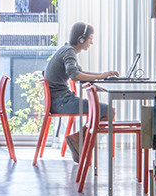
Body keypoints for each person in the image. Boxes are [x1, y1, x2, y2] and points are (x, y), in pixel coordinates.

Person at [44, 22, 119, 161]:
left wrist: (102, 74)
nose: (91, 43)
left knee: (106, 111)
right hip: (61, 102)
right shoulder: (69, 52)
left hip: (60, 100)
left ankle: (78, 139)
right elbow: (75, 76)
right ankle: (78, 140)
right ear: (81, 39)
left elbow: (80, 72)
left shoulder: (67, 49)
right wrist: (99, 77)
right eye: (90, 38)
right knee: (109, 111)